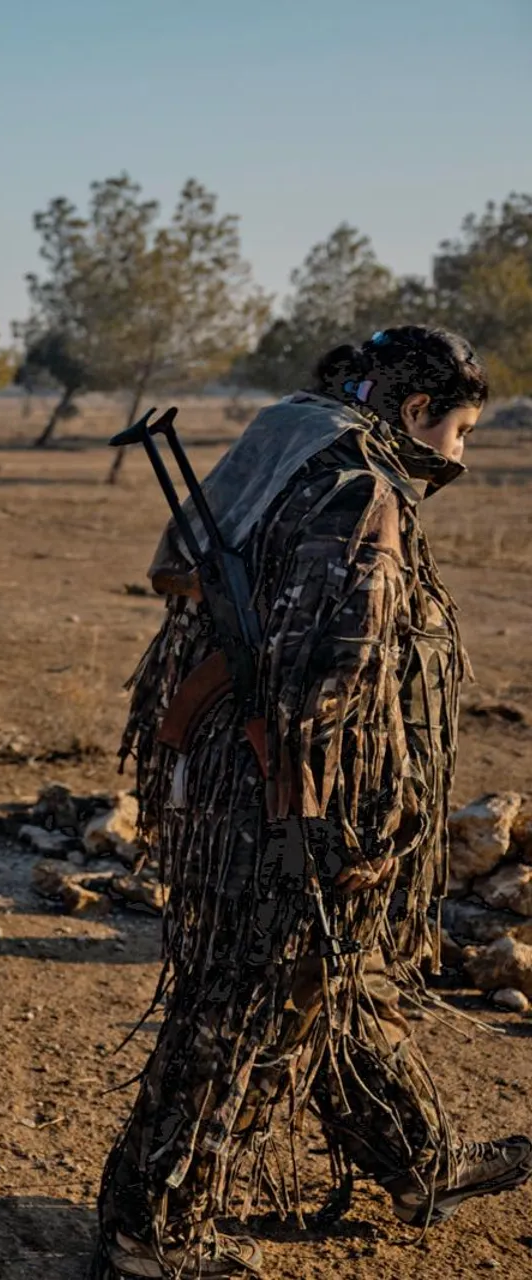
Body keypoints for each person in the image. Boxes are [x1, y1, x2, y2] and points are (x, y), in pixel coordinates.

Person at [95, 326, 530, 1278]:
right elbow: (323, 681)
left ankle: (417, 1162)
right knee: (245, 1002)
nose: (461, 454)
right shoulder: (360, 490)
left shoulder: (285, 441)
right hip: (289, 798)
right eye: (461, 430)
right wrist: (338, 824)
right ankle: (149, 1235)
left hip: (230, 776)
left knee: (337, 980)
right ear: (415, 412)